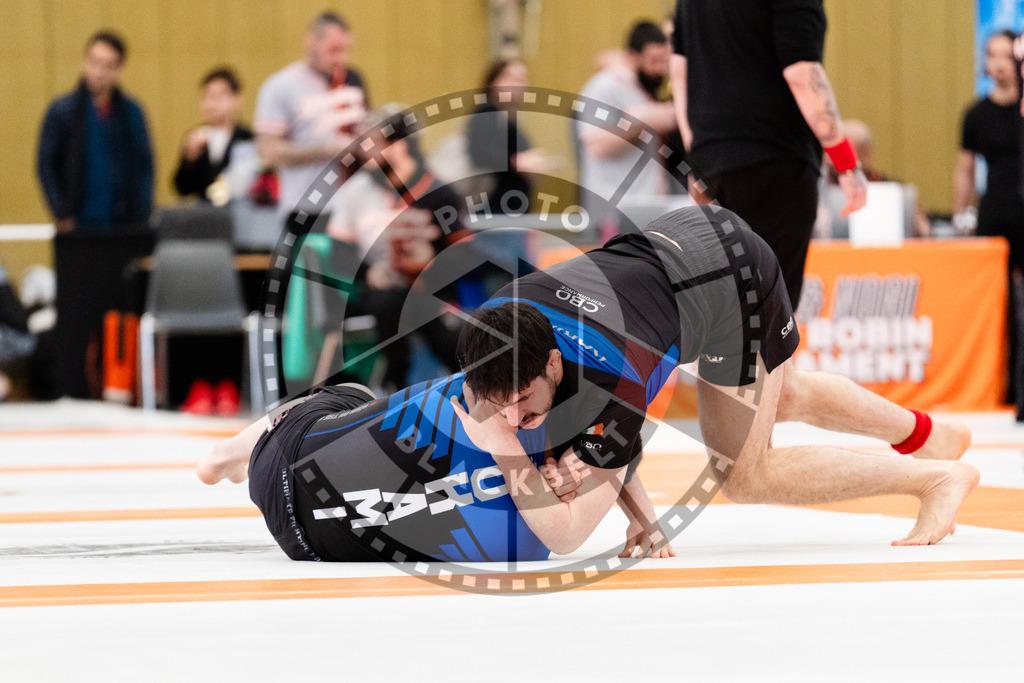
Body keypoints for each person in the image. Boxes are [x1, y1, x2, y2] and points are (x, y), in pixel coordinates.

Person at [453, 205, 976, 549]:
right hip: (687, 236)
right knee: (784, 394)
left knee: (745, 475)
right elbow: (598, 428)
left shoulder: (619, 374)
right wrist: (639, 514)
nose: (512, 419)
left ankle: (935, 479)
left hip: (733, 284)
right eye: (502, 407)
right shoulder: (495, 330)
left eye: (522, 401)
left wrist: (509, 448)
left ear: (552, 363)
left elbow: (574, 523)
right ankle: (931, 436)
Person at [197, 379, 672, 561]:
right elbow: (611, 451)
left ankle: (226, 454)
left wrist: (639, 512)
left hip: (285, 456)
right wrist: (641, 517)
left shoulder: (475, 396)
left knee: (356, 394)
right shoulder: (531, 542)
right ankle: (233, 456)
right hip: (306, 545)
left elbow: (609, 444)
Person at [671, 0, 867, 308]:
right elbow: (802, 74)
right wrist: (845, 163)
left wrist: (696, 154)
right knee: (771, 311)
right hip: (775, 161)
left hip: (712, 163)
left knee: (727, 307)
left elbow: (679, 71)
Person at [36, 31, 155, 399]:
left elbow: (144, 166)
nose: (100, 71)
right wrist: (61, 211)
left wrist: (142, 214)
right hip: (79, 231)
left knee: (121, 310)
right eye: (95, 62)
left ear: (118, 69)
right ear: (85, 63)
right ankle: (71, 390)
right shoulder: (62, 111)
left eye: (108, 65)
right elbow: (45, 164)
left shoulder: (131, 113)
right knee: (76, 314)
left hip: (123, 230)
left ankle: (121, 388)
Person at [953, 30, 1024, 417]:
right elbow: (965, 169)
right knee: (996, 302)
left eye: (1006, 55)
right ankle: (998, 384)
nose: (998, 63)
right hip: (995, 210)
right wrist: (961, 213)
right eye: (991, 55)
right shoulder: (976, 114)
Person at [254, 11, 368, 229]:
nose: (341, 59)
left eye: (345, 50)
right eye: (334, 50)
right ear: (311, 42)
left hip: (352, 207)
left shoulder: (352, 79)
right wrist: (327, 150)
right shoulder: (281, 86)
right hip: (307, 208)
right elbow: (269, 152)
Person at [575, 21, 677, 232]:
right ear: (633, 56)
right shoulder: (604, 86)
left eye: (664, 61)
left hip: (647, 208)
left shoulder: (643, 89)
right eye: (654, 61)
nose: (660, 69)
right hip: (613, 211)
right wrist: (638, 121)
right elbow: (595, 145)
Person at [173, 67, 254, 204]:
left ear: (236, 99)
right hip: (204, 212)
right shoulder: (196, 137)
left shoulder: (248, 139)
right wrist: (189, 160)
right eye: (207, 97)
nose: (212, 104)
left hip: (239, 210)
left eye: (218, 97)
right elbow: (182, 189)